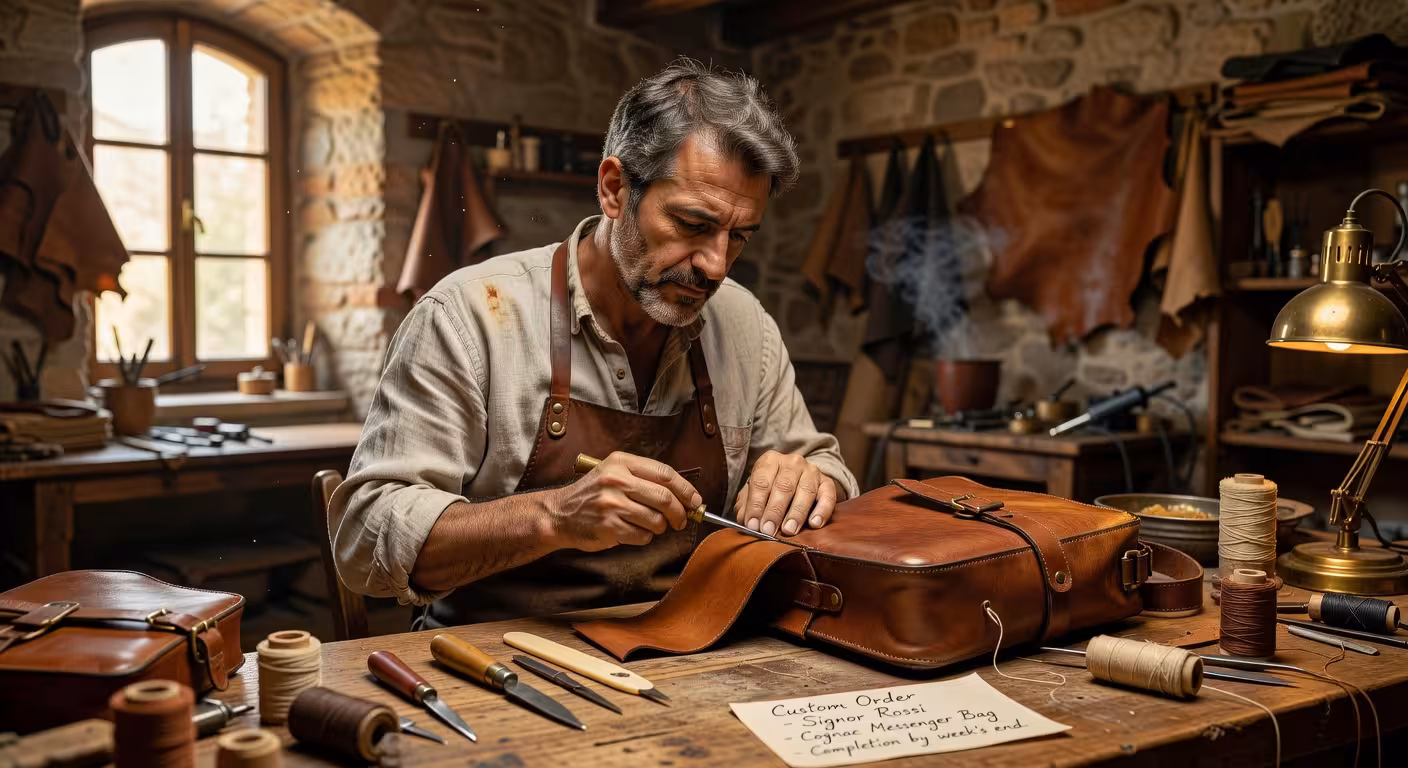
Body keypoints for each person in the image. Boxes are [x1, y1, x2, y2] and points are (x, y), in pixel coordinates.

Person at [331, 58, 858, 627]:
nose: (715, 265)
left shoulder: (744, 323)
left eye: (739, 238)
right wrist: (553, 517)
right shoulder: (469, 316)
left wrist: (810, 480)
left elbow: (824, 466)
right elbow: (363, 541)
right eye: (693, 225)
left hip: (687, 644)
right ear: (614, 189)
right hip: (492, 653)